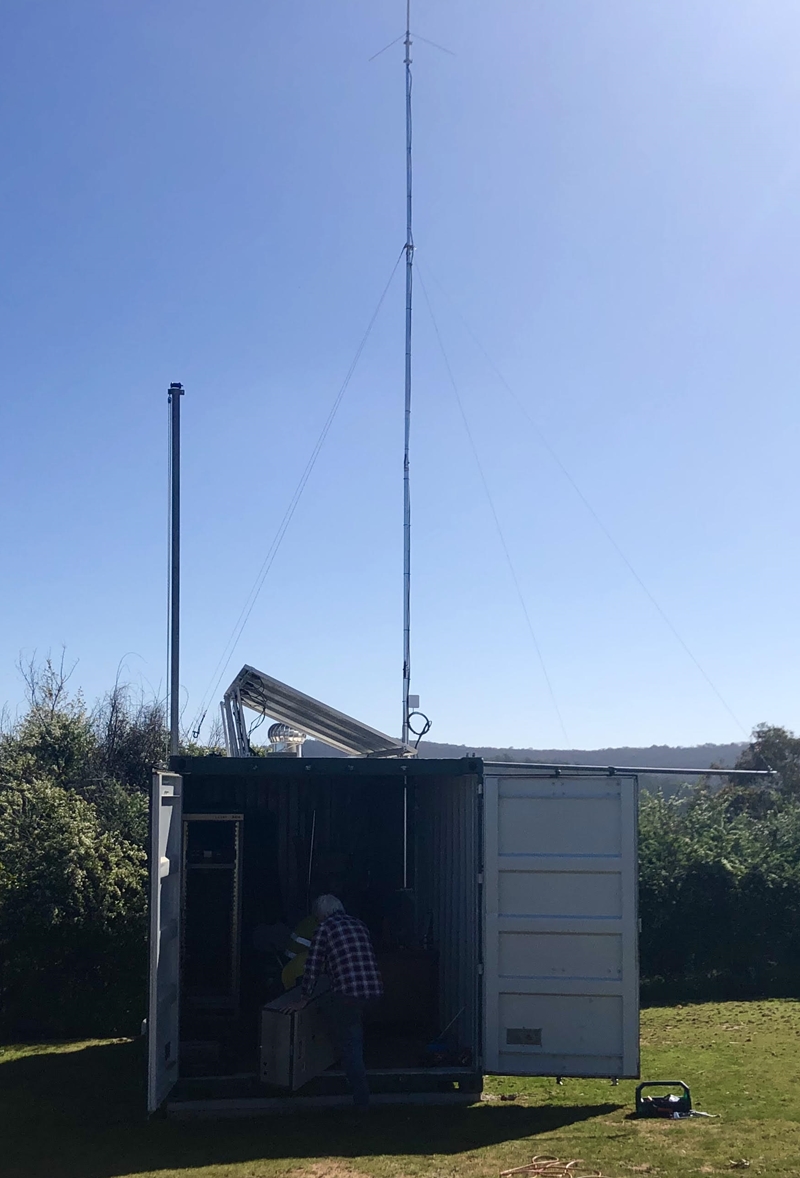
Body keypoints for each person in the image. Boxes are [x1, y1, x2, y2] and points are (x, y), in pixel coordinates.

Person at [285, 894, 383, 1108]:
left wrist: (304, 998)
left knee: (348, 1040)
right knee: (353, 1031)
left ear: (321, 914)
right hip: (374, 991)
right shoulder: (359, 924)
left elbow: (312, 965)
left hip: (349, 995)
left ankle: (360, 1099)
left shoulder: (324, 928)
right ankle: (350, 1066)